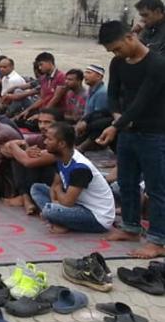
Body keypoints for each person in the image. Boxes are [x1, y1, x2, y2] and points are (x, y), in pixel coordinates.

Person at [95, 20, 165, 258]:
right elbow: (113, 94)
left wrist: (117, 125)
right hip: (127, 131)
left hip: (154, 133)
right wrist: (118, 117)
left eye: (117, 48)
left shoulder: (157, 64)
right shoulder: (118, 63)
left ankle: (158, 240)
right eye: (112, 51)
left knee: (156, 187)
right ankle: (131, 227)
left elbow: (143, 100)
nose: (116, 54)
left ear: (130, 37)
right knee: (126, 181)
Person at [29, 122, 115, 235]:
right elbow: (55, 186)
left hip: (96, 217)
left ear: (62, 144)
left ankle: (58, 220)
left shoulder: (80, 167)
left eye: (49, 139)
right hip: (77, 204)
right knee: (37, 188)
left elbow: (67, 202)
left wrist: (57, 199)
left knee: (49, 210)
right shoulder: (61, 157)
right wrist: (55, 201)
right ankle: (59, 220)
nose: (45, 142)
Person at [0, 108, 60, 215]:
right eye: (40, 122)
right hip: (38, 180)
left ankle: (26, 198)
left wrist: (14, 146)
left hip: (57, 183)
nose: (42, 126)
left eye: (47, 122)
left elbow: (28, 162)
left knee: (25, 158)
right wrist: (23, 149)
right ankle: (25, 197)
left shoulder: (61, 142)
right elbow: (3, 150)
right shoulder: (40, 138)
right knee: (17, 155)